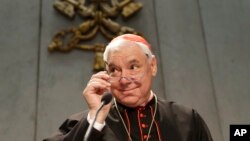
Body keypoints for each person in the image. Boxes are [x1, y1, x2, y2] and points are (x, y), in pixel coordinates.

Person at [44, 34, 213, 141]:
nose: (124, 79)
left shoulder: (186, 119)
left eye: (133, 67)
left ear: (152, 66)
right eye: (115, 70)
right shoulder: (85, 123)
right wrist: (96, 118)